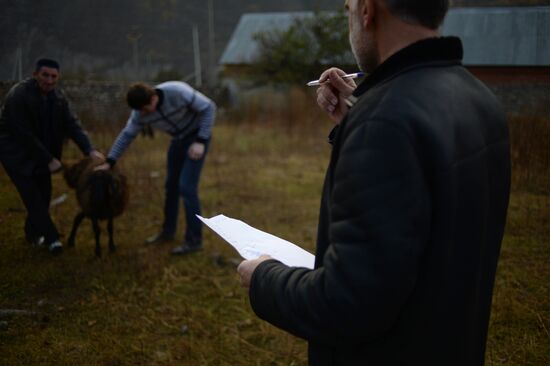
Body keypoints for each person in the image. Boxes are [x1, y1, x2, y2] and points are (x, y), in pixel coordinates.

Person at [237, 0, 511, 365]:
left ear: (367, 10)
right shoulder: (478, 98)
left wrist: (263, 279)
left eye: (348, 7)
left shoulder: (384, 122)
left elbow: (347, 303)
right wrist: (353, 120)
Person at [95, 81, 215, 255]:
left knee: (187, 187)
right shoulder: (139, 113)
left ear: (153, 98)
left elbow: (209, 107)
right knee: (171, 186)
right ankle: (168, 232)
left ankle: (194, 241)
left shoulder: (177, 91)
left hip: (197, 137)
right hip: (178, 139)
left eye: (145, 108)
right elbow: (127, 134)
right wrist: (110, 161)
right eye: (140, 111)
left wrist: (201, 141)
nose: (143, 114)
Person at [0, 58, 104, 255]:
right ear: (35, 75)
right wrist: (48, 159)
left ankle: (32, 234)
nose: (49, 80)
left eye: (53, 77)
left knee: (44, 194)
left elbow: (72, 125)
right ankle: (52, 238)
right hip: (15, 154)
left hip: (40, 154)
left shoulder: (58, 98)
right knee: (32, 196)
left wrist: (89, 150)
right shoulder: (18, 96)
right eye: (45, 75)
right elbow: (23, 134)